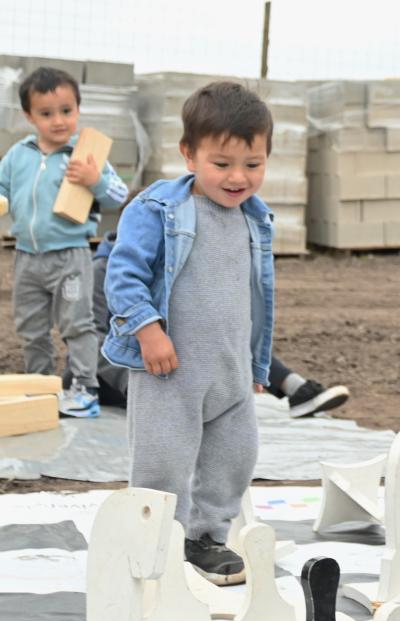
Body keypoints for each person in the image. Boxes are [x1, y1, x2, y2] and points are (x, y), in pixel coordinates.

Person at [103, 81, 275, 586]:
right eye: (222, 164)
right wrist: (148, 330)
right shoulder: (157, 209)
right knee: (162, 463)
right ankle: (153, 539)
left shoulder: (255, 219)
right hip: (170, 372)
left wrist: (255, 364)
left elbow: (252, 297)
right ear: (189, 154)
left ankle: (206, 538)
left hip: (230, 372)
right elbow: (124, 273)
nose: (238, 177)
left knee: (235, 458)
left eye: (253, 164)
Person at [65, 229, 350, 415]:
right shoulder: (101, 272)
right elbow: (91, 338)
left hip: (168, 370)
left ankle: (297, 389)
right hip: (113, 378)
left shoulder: (177, 266)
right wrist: (137, 381)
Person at [0, 66, 129, 418]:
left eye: (66, 111)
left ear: (78, 109)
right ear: (29, 116)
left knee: (77, 323)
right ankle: (39, 387)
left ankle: (84, 388)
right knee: (31, 328)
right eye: (46, 113)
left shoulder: (87, 155)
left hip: (70, 258)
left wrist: (94, 180)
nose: (58, 120)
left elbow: (119, 195)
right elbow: (1, 191)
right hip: (26, 258)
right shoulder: (17, 156)